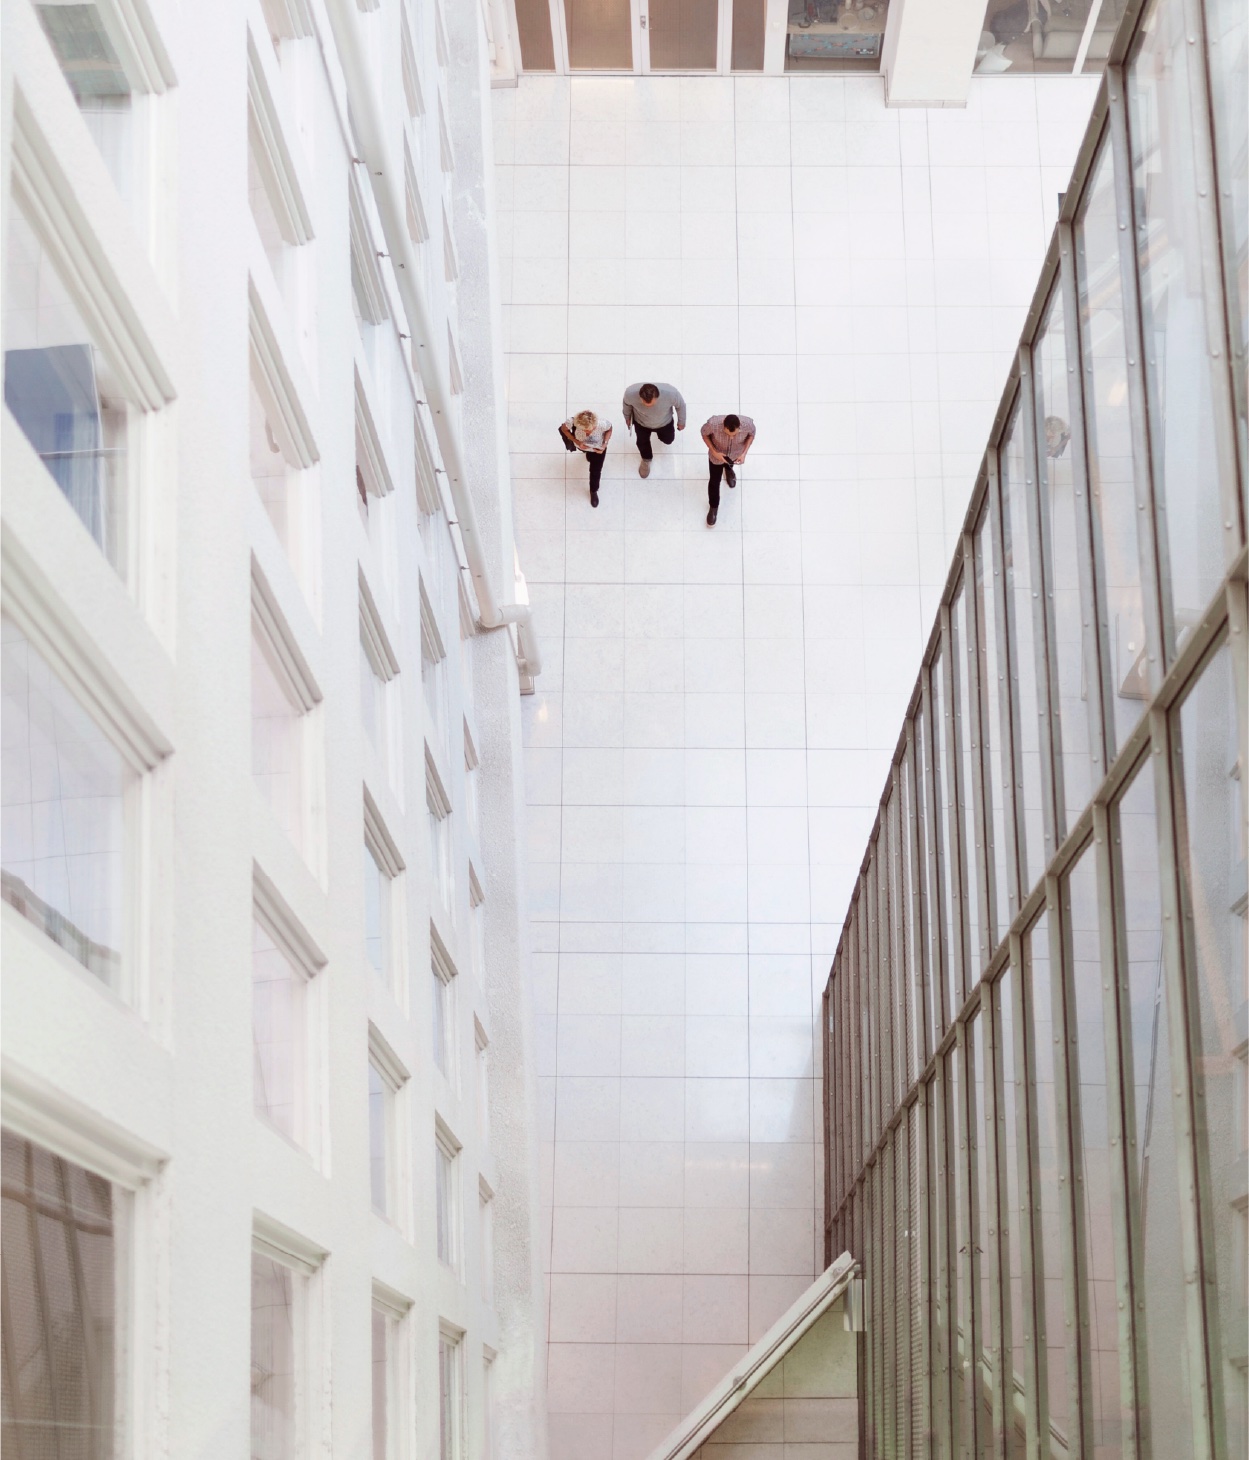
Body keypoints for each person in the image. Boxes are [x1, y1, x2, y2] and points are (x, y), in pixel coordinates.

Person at [700, 412, 756, 525]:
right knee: (714, 481)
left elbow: (751, 435)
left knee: (730, 464)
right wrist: (714, 452)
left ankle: (729, 470)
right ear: (723, 427)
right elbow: (704, 434)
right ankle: (713, 507)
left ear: (739, 427)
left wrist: (744, 453)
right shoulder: (712, 424)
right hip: (717, 456)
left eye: (734, 435)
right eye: (727, 434)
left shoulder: (748, 424)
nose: (731, 437)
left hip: (735, 454)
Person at [621, 381, 687, 478]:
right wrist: (627, 418)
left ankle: (660, 436)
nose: (648, 407)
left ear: (657, 396)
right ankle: (646, 459)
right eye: (644, 403)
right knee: (641, 442)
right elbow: (626, 406)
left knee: (668, 440)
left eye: (651, 404)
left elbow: (681, 406)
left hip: (664, 422)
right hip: (641, 423)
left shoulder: (671, 394)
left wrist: (681, 421)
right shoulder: (630, 394)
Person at [559, 409, 612, 507]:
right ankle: (588, 454)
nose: (589, 432)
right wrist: (576, 441)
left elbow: (610, 429)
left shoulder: (602, 424)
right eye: (585, 430)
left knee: (595, 471)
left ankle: (593, 490)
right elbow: (563, 429)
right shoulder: (572, 421)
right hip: (582, 446)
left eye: (591, 429)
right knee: (588, 454)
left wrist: (605, 444)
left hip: (598, 449)